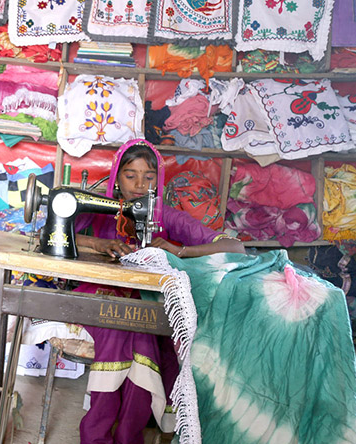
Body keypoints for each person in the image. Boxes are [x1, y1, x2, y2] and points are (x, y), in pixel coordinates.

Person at [74, 138, 245, 444]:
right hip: (99, 295)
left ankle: (118, 435)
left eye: (149, 176)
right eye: (130, 175)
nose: (140, 184)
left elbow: (235, 246)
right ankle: (107, 436)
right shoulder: (101, 208)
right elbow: (56, 234)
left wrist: (180, 248)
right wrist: (99, 244)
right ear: (116, 176)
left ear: (158, 179)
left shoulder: (165, 215)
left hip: (146, 302)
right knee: (123, 328)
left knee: (140, 332)